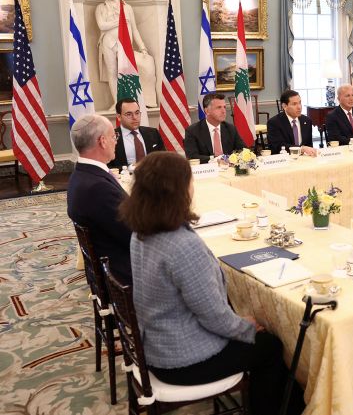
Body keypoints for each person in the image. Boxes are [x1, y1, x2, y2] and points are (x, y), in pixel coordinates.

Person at [118, 152, 303, 415]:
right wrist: (246, 328)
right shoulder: (183, 246)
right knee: (271, 347)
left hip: (155, 345)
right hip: (184, 359)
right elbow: (214, 317)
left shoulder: (141, 232)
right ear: (178, 190)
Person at [67, 114, 132, 284]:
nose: (115, 141)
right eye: (113, 136)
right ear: (102, 141)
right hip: (123, 274)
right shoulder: (98, 188)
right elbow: (135, 236)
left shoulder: (81, 174)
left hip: (109, 261)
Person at [95, 0, 148, 106]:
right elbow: (102, 25)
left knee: (126, 71)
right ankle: (116, 103)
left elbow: (134, 29)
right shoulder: (101, 7)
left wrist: (142, 47)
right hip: (108, 42)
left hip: (124, 44)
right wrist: (121, 21)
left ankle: (130, 102)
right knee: (112, 72)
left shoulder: (127, 8)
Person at [184, 93, 247, 163]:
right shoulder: (193, 131)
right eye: (219, 107)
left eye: (224, 107)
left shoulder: (230, 128)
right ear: (207, 111)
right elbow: (192, 156)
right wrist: (215, 159)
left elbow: (243, 150)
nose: (223, 111)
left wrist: (233, 158)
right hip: (206, 170)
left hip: (228, 168)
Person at [107, 98, 165, 170]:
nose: (135, 117)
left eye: (137, 113)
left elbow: (163, 160)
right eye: (129, 114)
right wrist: (130, 168)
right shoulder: (110, 137)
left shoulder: (153, 133)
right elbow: (106, 166)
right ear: (119, 117)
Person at [266, 89, 317, 156]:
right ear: (284, 106)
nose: (299, 107)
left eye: (300, 103)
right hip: (285, 160)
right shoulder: (274, 122)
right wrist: (301, 149)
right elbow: (277, 146)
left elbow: (309, 145)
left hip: (305, 159)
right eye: (294, 104)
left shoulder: (307, 121)